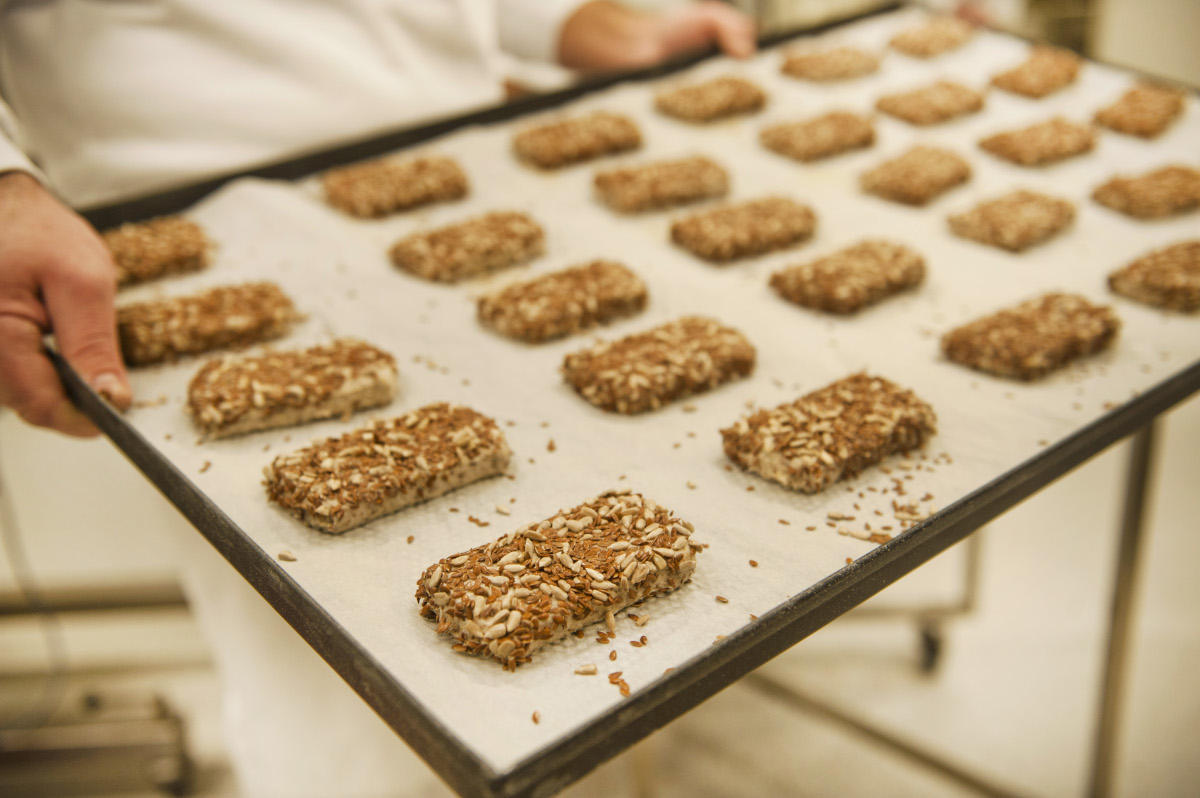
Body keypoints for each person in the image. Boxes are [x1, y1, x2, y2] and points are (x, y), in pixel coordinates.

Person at [0, 2, 755, 796]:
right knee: (339, 731)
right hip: (172, 202)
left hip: (463, 152)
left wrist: (571, 21)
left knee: (581, 725)